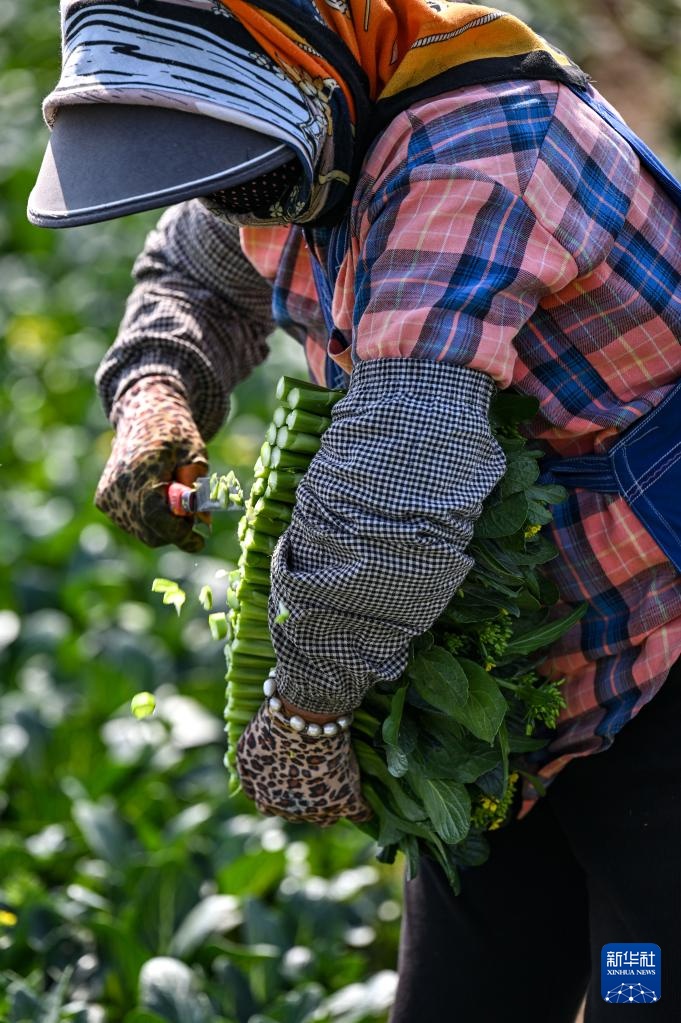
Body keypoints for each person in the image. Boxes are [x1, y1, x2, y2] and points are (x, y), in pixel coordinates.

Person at [28, 2, 681, 1019]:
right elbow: (194, 269)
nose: (235, 201)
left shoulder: (478, 156)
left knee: (645, 982)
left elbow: (398, 486)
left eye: (242, 172)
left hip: (653, 652)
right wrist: (158, 389)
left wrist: (308, 709)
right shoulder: (304, 124)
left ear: (307, 70)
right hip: (514, 686)